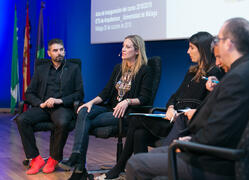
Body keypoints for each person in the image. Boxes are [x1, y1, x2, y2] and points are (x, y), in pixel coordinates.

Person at [126, 17, 249, 180]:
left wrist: (190, 142)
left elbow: (221, 128)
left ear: (229, 43)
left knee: (136, 164)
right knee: (158, 164)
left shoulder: (237, 78)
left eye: (218, 40)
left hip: (212, 162)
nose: (215, 47)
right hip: (215, 150)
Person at [98, 32, 224, 179]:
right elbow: (173, 98)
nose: (187, 51)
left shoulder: (215, 75)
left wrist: (181, 113)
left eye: (191, 48)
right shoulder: (191, 72)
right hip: (171, 118)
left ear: (202, 49)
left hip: (185, 123)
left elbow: (206, 107)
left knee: (135, 120)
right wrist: (171, 108)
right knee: (139, 134)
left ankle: (120, 166)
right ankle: (142, 174)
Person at [58, 35, 153, 179]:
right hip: (109, 108)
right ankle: (76, 157)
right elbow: (106, 92)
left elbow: (145, 98)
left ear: (138, 51)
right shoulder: (118, 68)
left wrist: (127, 102)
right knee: (84, 110)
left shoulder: (145, 70)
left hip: (126, 113)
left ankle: (78, 169)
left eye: (128, 47)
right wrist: (90, 103)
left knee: (83, 122)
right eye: (123, 46)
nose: (123, 49)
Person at [16, 38, 84, 175]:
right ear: (49, 53)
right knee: (22, 119)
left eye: (61, 50)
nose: (59, 53)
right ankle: (35, 158)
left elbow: (79, 94)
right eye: (55, 50)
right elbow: (29, 93)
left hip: (62, 107)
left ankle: (54, 158)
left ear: (64, 51)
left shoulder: (73, 68)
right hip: (44, 107)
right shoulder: (41, 69)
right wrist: (40, 103)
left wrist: (60, 101)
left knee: (62, 122)